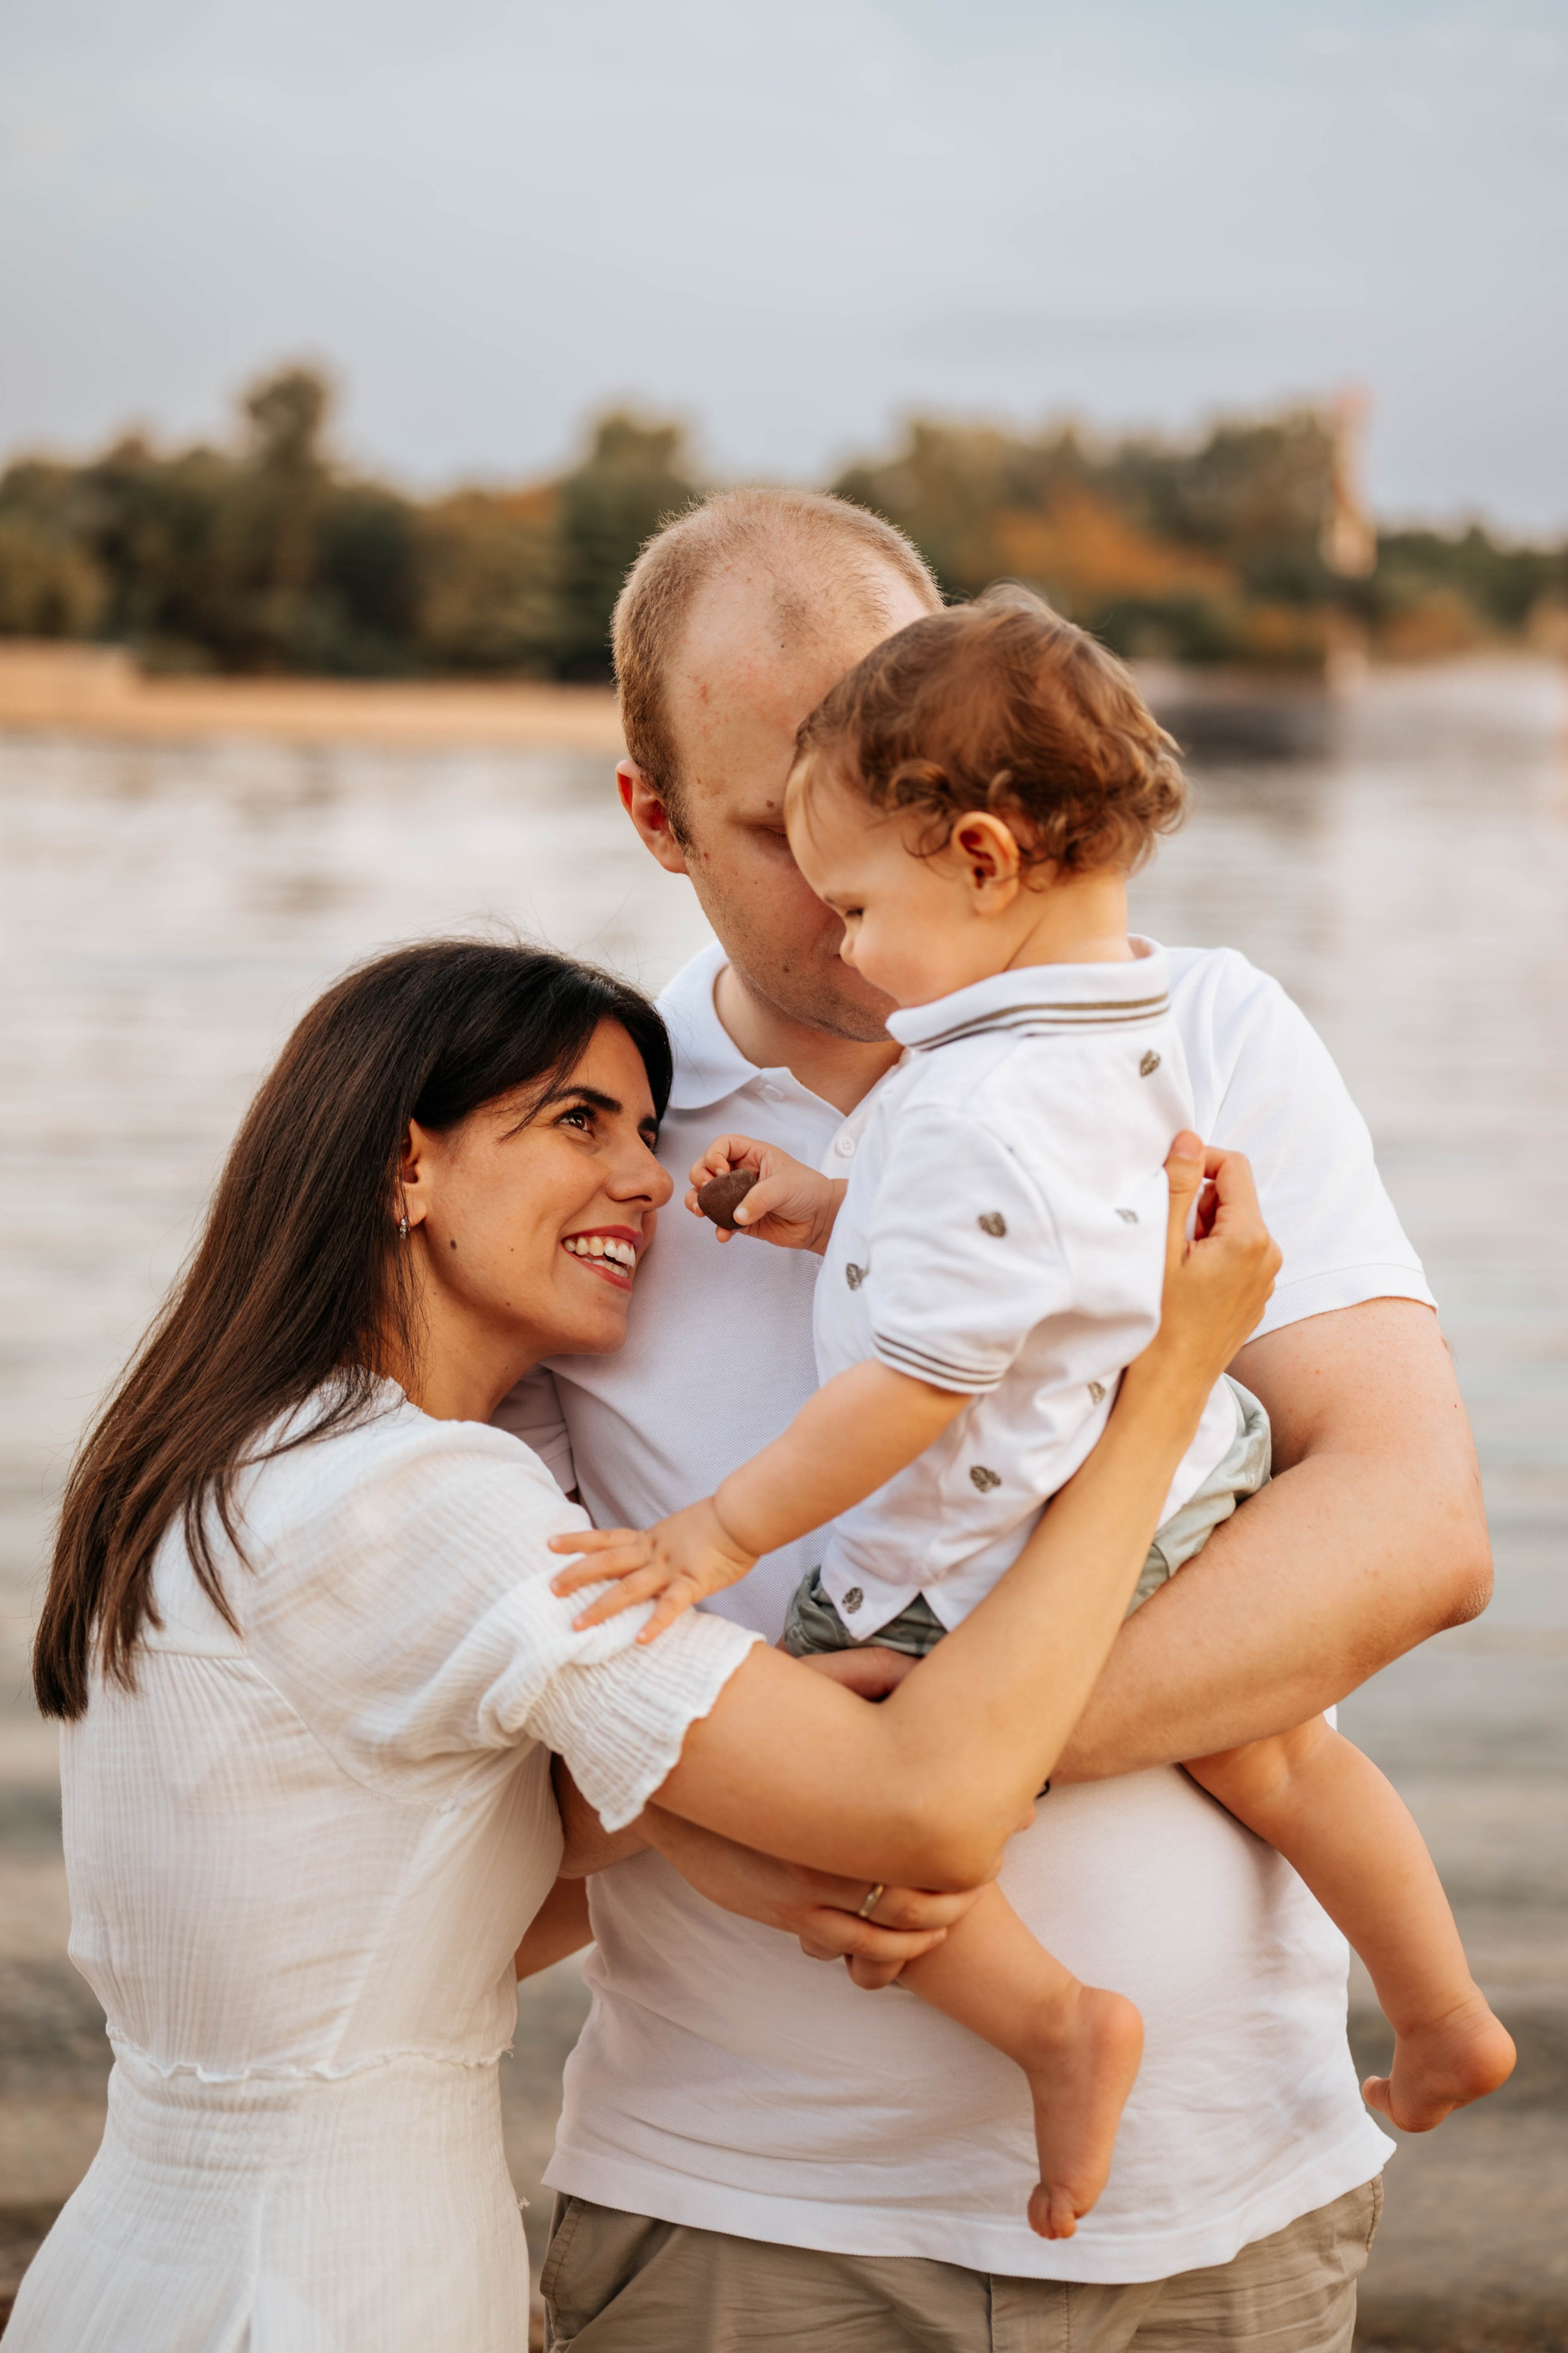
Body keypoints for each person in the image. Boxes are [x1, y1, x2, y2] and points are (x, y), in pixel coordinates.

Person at [497, 488, 1496, 2352]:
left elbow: (1413, 1525)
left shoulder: (1198, 1030)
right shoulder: (582, 1136)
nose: (848, 894)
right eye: (770, 828)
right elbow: (506, 1678)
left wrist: (945, 1781)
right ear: (650, 820)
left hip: (1227, 2211)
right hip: (750, 2223)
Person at [11, 939, 1268, 2353]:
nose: (646, 1180)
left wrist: (717, 1759)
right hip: (331, 2285)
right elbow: (926, 1809)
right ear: (403, 1168)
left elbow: (370, 1928)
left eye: (644, 1131)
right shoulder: (421, 1498)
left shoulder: (223, 1464)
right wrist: (1162, 1391)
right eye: (574, 1121)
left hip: (133, 2273)